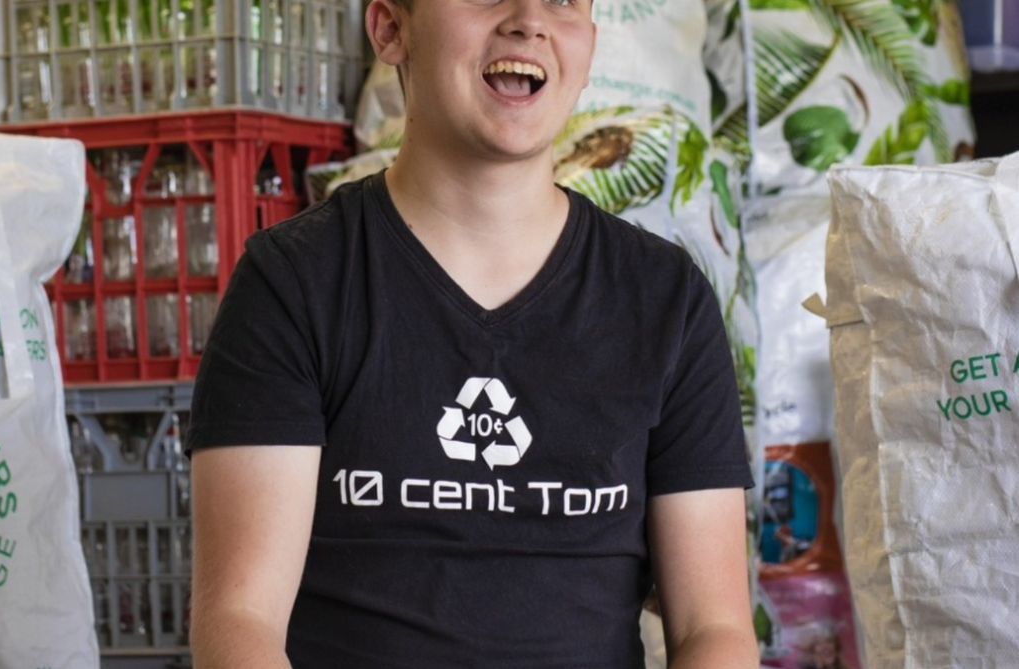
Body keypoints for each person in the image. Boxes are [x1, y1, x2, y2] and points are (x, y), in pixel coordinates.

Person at [186, 1, 758, 667]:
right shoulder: (294, 284)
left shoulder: (667, 298)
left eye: (563, 2)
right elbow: (239, 619)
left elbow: (712, 627)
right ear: (391, 29)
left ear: (590, 47)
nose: (528, 20)